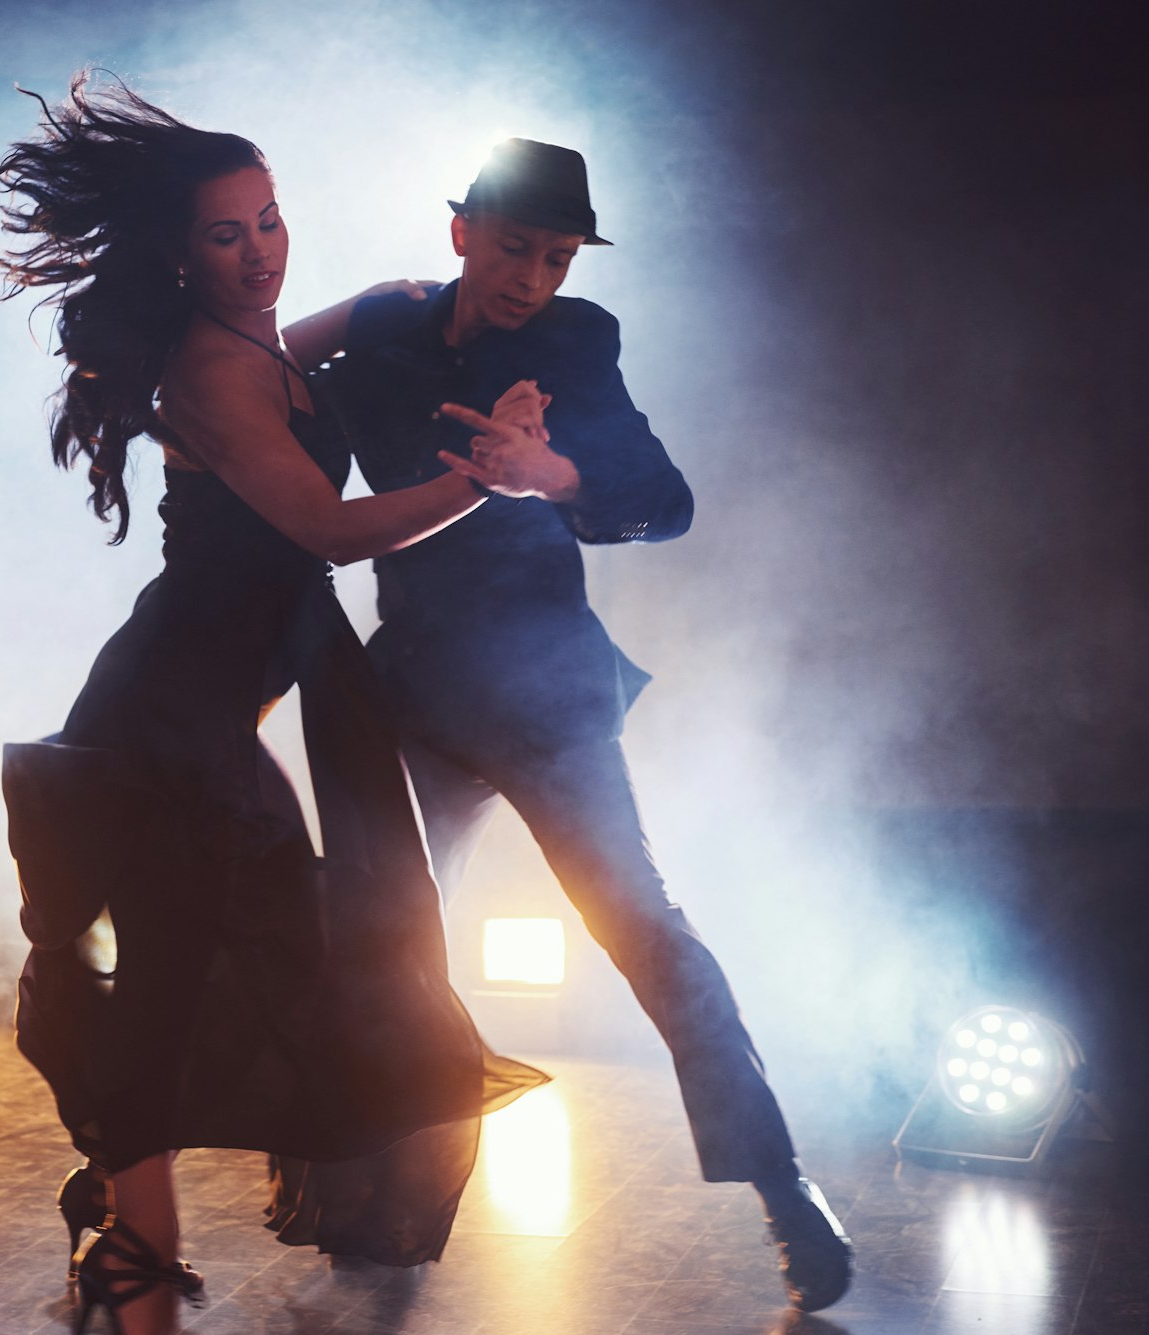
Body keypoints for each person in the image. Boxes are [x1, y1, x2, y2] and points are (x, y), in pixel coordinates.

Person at [0, 80, 555, 1335]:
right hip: (168, 720)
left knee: (284, 964)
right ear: (176, 254)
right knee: (177, 978)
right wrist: (488, 479)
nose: (258, 254)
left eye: (271, 220)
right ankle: (136, 1262)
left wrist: (383, 300)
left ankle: (116, 1189)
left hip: (223, 714)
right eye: (224, 234)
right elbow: (330, 532)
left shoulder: (254, 346)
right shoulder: (209, 373)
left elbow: (305, 348)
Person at [312, 138, 856, 1313]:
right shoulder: (376, 345)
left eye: (555, 257)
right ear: (458, 232)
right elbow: (268, 437)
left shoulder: (574, 342)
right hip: (408, 691)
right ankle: (376, 1205)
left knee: (644, 929)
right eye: (515, 249)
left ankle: (782, 1183)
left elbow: (663, 504)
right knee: (373, 938)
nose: (532, 278)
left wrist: (551, 476)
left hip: (546, 698)